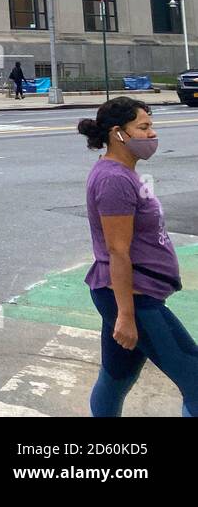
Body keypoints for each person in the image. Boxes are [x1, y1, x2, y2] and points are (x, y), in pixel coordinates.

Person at [77, 98, 196, 417]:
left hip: (128, 294)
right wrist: (126, 315)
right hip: (133, 297)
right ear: (118, 134)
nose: (151, 134)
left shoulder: (126, 174)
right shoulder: (114, 179)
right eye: (143, 127)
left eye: (151, 126)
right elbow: (118, 249)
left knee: (118, 377)